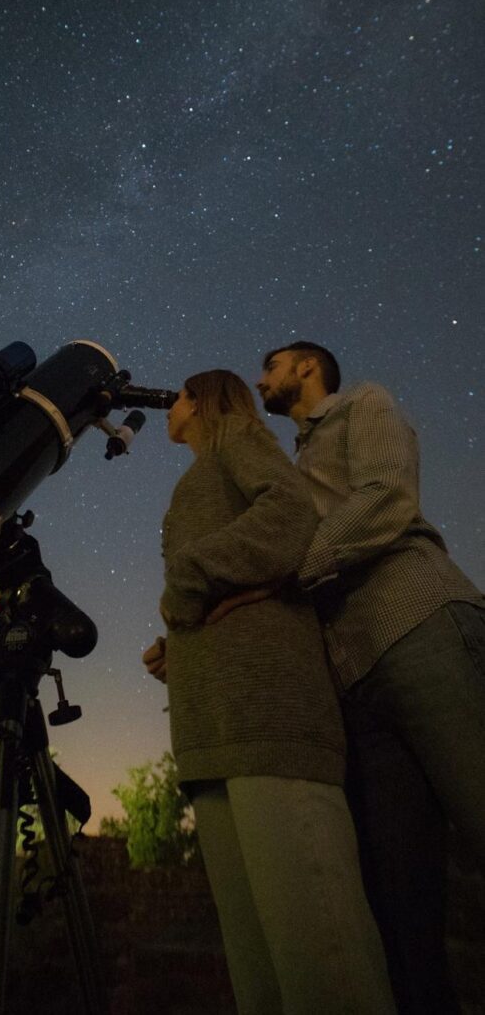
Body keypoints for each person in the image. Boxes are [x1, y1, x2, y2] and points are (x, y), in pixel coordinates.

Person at [143, 369, 395, 1015]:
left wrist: (190, 578)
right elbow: (218, 583)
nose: (167, 407)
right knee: (262, 978)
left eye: (176, 397)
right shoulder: (192, 479)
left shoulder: (237, 436)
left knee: (321, 958)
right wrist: (179, 643)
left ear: (200, 400)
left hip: (269, 719)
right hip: (213, 731)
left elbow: (286, 514)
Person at [248, 341, 485, 1015]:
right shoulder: (290, 468)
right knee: (400, 909)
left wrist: (291, 572)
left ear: (306, 368)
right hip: (357, 685)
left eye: (271, 365)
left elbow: (386, 497)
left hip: (417, 625)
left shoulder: (364, 403)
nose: (260, 378)